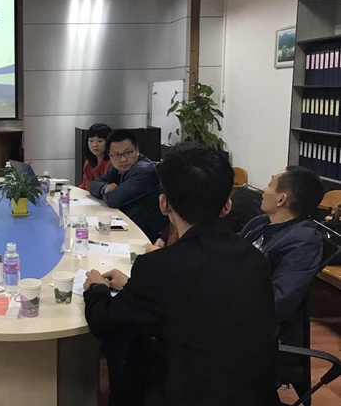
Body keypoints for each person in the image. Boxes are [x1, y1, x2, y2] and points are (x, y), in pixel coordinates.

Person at [83, 143, 279, 406]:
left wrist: (96, 288)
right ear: (227, 206)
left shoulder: (158, 267)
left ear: (164, 204)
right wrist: (133, 285)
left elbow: (104, 323)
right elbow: (197, 301)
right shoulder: (255, 259)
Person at [240, 166, 324, 345]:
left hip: (258, 333)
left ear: (281, 199)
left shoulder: (304, 241)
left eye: (270, 184)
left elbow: (277, 302)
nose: (264, 190)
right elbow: (230, 252)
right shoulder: (261, 222)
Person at [89, 129, 167, 240]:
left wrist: (109, 193)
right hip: (126, 226)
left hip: (146, 235)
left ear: (137, 150)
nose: (123, 159)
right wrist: (105, 188)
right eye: (116, 155)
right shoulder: (116, 167)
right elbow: (93, 184)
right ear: (110, 155)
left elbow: (113, 200)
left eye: (128, 153)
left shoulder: (144, 171)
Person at [79, 123, 112, 190]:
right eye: (91, 141)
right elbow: (84, 186)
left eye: (100, 141)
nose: (95, 145)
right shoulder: (88, 162)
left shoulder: (112, 163)